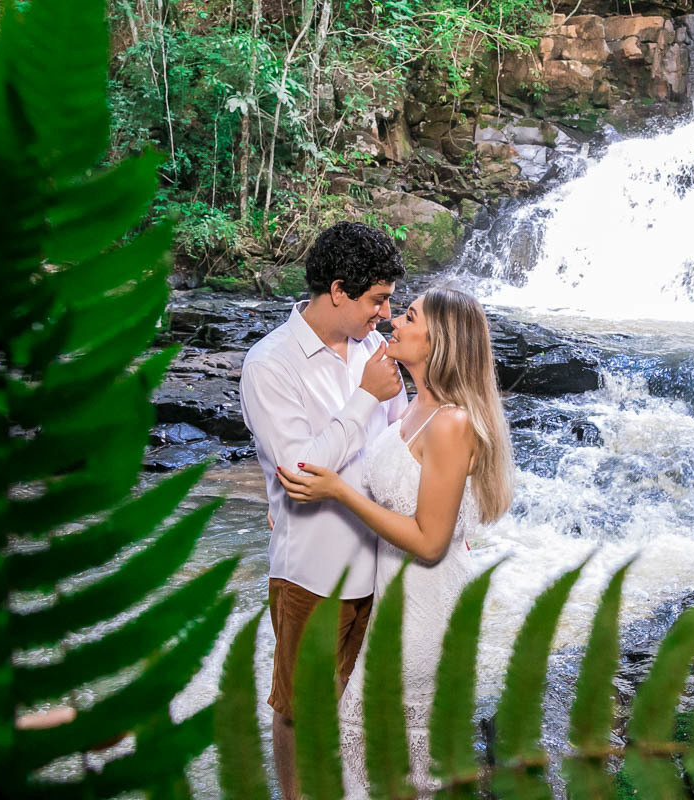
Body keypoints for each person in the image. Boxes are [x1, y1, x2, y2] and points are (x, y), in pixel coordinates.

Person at [276, 286, 514, 797]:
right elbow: (385, 488)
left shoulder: (450, 423)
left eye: (408, 316)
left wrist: (336, 491)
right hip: (394, 598)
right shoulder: (413, 408)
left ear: (439, 341)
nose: (394, 322)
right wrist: (292, 512)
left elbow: (430, 543)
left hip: (424, 609)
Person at [239, 221, 408, 800]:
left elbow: (399, 446)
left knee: (355, 705)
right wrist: (365, 397)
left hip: (383, 561)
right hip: (314, 570)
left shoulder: (375, 354)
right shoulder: (271, 364)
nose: (385, 315)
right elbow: (301, 473)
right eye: (377, 300)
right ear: (338, 290)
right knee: (298, 707)